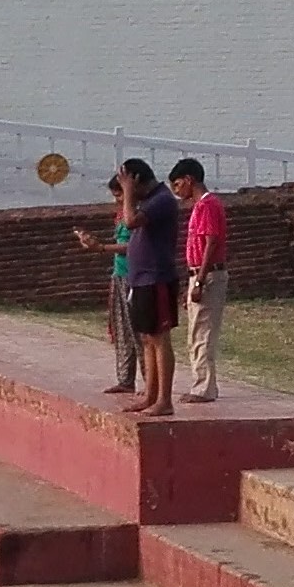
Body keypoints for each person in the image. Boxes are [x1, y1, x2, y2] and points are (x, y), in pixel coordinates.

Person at [73, 159, 178, 405]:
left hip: (157, 277)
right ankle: (151, 397)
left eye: (125, 184)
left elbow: (130, 222)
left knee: (160, 339)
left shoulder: (161, 200)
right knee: (147, 338)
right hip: (140, 278)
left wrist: (129, 192)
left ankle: (164, 400)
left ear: (137, 180)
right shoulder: (147, 203)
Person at [169, 158, 227, 402]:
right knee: (196, 331)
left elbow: (211, 242)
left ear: (189, 180)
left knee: (202, 333)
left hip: (208, 274)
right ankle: (202, 383)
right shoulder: (199, 207)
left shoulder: (208, 206)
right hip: (199, 273)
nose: (176, 190)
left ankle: (203, 387)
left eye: (178, 184)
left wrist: (200, 281)